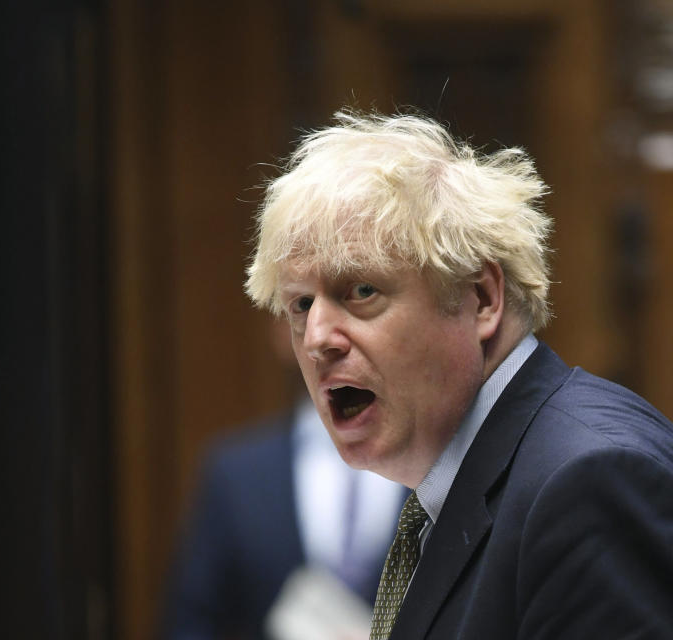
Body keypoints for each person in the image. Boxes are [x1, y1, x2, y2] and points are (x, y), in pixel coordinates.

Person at [244, 110, 673, 639]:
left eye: (360, 292)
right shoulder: (462, 485)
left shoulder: (587, 480)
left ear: (481, 299)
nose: (316, 339)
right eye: (301, 304)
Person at [162, 319, 407, 640]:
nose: (332, 331)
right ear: (281, 329)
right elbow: (190, 624)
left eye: (361, 298)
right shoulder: (235, 475)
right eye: (304, 305)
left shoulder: (439, 461)